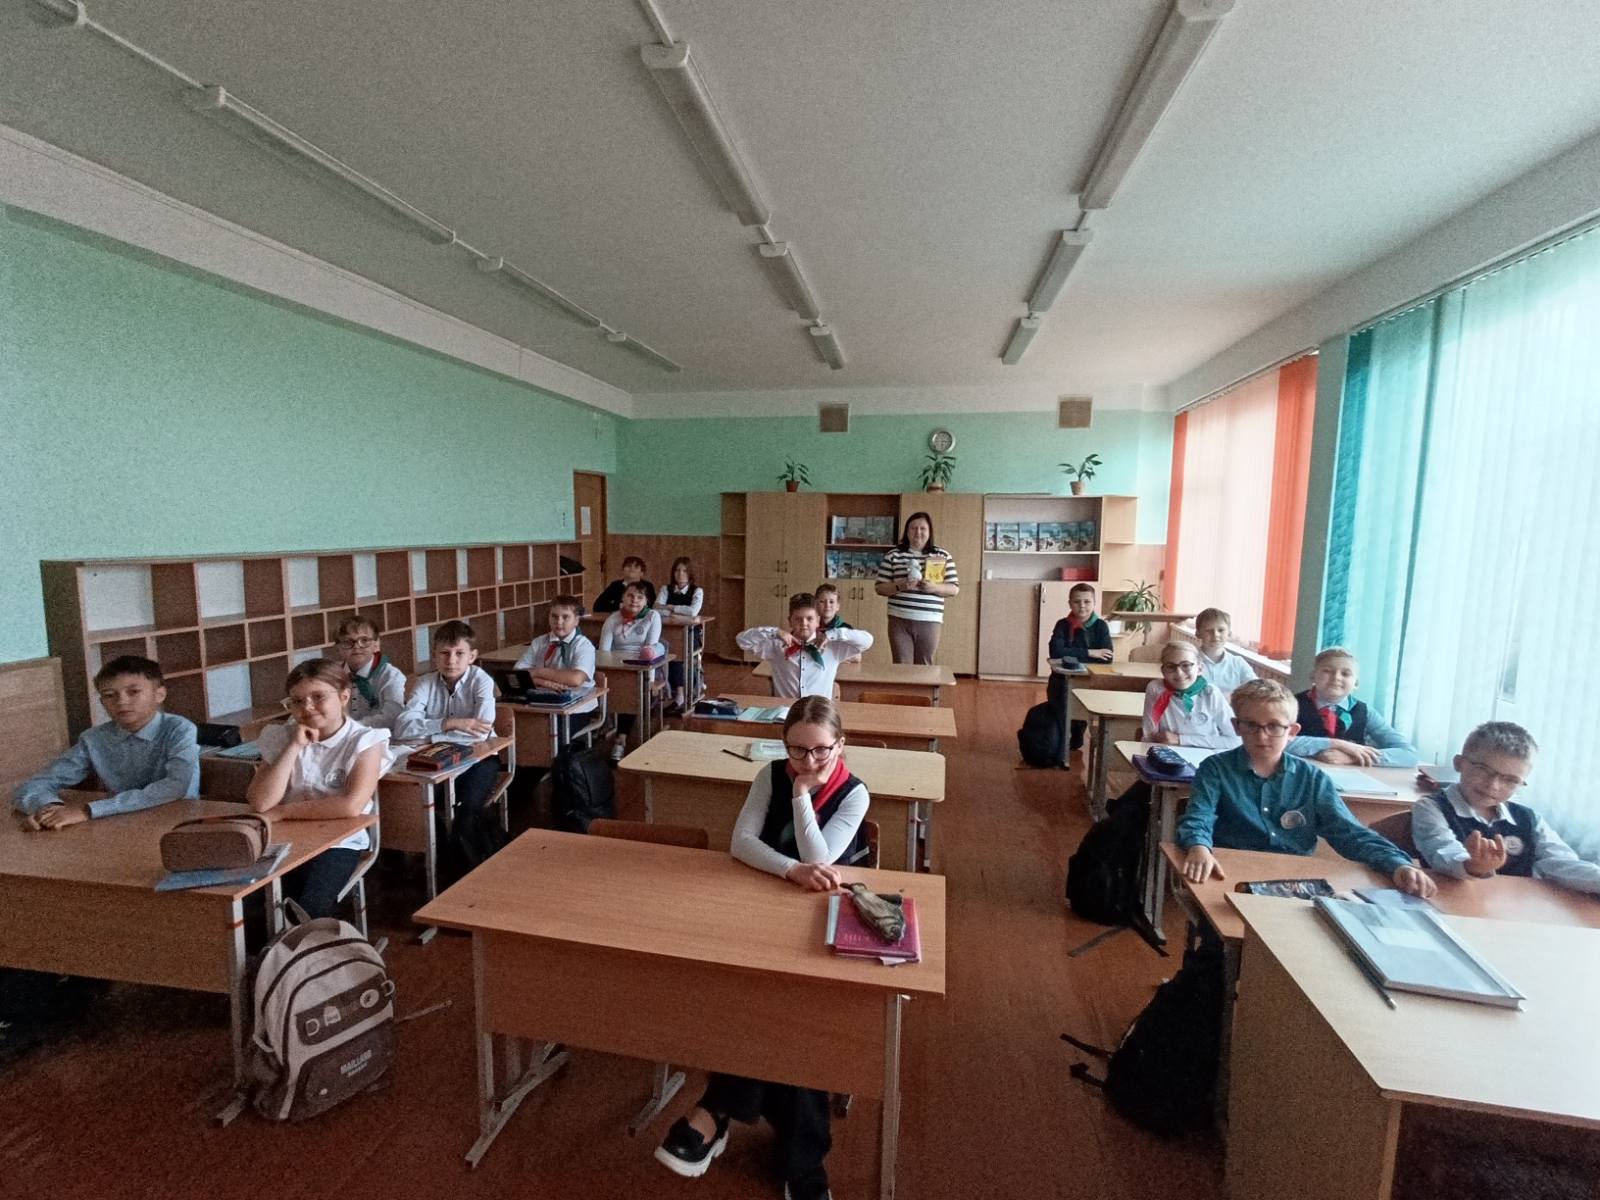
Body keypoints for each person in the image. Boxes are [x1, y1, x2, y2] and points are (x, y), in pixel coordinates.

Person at [655, 697, 867, 1200]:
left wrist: (801, 795)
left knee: (790, 1012)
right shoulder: (770, 776)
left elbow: (821, 856)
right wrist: (790, 869)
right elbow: (742, 842)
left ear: (840, 744)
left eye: (821, 750)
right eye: (797, 750)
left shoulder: (854, 793)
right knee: (766, 1005)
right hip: (760, 907)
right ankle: (801, 1164)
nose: (809, 761)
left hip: (823, 920)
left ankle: (716, 1111)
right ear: (783, 745)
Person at [1177, 679, 1435, 897]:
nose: (1262, 735)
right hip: (1231, 873)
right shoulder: (1215, 769)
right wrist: (1199, 846)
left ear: (1292, 731)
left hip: (1293, 881)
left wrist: (1398, 865)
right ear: (1237, 727)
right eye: (1251, 725)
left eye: (1274, 726)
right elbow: (1199, 817)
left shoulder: (1311, 779)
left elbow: (1349, 833)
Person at [249, 659, 393, 919]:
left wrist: (283, 812)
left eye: (318, 697)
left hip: (339, 843)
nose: (307, 707)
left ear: (344, 696)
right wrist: (293, 747)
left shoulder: (365, 740)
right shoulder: (281, 736)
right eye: (297, 701)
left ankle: (308, 944)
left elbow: (350, 805)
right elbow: (261, 802)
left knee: (305, 907)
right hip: (283, 838)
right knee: (251, 906)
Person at [1412, 721, 1600, 894]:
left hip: (1516, 910)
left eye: (1510, 780)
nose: (1493, 785)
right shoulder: (1431, 808)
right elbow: (1440, 849)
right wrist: (1471, 865)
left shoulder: (1528, 818)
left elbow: (1561, 862)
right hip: (1449, 902)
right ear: (1459, 763)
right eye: (1483, 770)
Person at [14, 654, 199, 828]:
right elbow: (37, 784)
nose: (121, 701)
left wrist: (88, 810)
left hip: (179, 821)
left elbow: (176, 786)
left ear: (159, 695)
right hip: (120, 823)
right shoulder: (94, 738)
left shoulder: (179, 729)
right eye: (109, 695)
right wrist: (48, 808)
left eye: (133, 692)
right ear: (102, 702)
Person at [396, 620, 504, 876]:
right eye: (444, 653)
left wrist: (430, 735)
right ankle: (445, 862)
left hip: (480, 759)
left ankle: (468, 873)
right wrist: (450, 724)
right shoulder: (425, 683)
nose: (451, 660)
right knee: (414, 803)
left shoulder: (481, 681)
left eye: (459, 653)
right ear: (434, 655)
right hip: (436, 762)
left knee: (466, 812)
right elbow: (402, 727)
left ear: (472, 656)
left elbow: (481, 731)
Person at [1287, 647, 1418, 767]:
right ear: (1313, 676)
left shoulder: (1366, 712)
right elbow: (1277, 742)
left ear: (1356, 683)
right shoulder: (1290, 704)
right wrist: (1335, 744)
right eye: (1327, 671)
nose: (1336, 677)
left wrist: (1354, 757)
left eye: (1345, 674)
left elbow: (1409, 754)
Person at [737, 592, 873, 699]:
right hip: (786, 713)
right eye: (798, 619)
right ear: (790, 621)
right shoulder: (776, 646)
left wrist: (833, 634)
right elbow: (742, 640)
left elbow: (867, 641)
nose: (804, 624)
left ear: (818, 621)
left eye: (809, 618)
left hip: (819, 714)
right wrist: (774, 631)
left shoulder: (833, 648)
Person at [873, 512, 960, 665]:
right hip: (899, 619)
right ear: (907, 531)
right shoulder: (893, 555)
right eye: (913, 528)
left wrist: (933, 588)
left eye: (922, 528)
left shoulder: (942, 555)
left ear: (929, 531)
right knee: (901, 665)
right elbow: (880, 588)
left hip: (930, 619)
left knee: (925, 665)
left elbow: (954, 588)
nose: (918, 532)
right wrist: (901, 585)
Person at [599, 583, 666, 760]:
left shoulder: (652, 616)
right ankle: (603, 726)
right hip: (617, 666)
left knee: (631, 692)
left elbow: (650, 650)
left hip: (645, 668)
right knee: (614, 689)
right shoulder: (613, 618)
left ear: (646, 601)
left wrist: (650, 681)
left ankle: (621, 739)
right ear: (623, 598)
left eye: (639, 597)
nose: (634, 600)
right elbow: (604, 652)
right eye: (630, 596)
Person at [1047, 583, 1114, 752]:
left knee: (1081, 712)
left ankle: (1076, 734)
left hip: (1088, 681)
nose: (1082, 606)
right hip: (1062, 680)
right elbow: (1056, 652)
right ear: (1070, 603)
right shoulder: (1062, 625)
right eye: (1077, 602)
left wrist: (1071, 655)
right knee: (1060, 707)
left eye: (1087, 601)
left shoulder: (1101, 626)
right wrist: (1090, 653)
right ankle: (1061, 738)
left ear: (1094, 603)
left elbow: (1107, 658)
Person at [1141, 640, 1240, 748]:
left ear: (1200, 668)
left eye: (1186, 665)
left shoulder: (1211, 693)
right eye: (1171, 666)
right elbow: (1149, 736)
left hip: (1207, 755)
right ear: (1163, 671)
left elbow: (1236, 740)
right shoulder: (1156, 689)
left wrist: (1180, 739)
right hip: (1168, 754)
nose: (1179, 673)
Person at [513, 594, 597, 713]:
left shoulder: (583, 645)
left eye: (565, 617)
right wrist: (543, 682)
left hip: (577, 706)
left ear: (576, 620)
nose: (559, 622)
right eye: (554, 616)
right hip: (542, 700)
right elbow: (516, 675)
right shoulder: (539, 642)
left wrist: (538, 672)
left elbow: (576, 679)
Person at [330, 616, 405, 729]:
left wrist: (350, 728)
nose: (356, 646)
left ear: (376, 645)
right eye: (347, 642)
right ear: (338, 648)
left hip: (380, 734)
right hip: (341, 734)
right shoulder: (332, 676)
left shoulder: (391, 675)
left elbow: (392, 717)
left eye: (364, 640)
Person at [655, 556, 704, 713]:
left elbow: (693, 611)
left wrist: (670, 607)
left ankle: (681, 694)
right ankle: (670, 693)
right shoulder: (666, 589)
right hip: (667, 632)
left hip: (690, 633)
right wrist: (680, 613)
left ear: (690, 573)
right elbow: (656, 609)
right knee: (666, 652)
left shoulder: (697, 591)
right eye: (677, 570)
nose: (680, 574)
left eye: (684, 570)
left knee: (678, 655)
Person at [1191, 607, 1256, 694]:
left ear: (1229, 633)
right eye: (1208, 630)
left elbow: (1256, 690)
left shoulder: (1238, 664)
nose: (1215, 634)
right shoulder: (1189, 661)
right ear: (1198, 633)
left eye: (1221, 630)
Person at [593, 555, 657, 613]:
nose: (632, 569)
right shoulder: (615, 585)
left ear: (642, 573)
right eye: (628, 566)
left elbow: (652, 606)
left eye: (636, 567)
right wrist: (620, 606)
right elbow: (598, 606)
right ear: (623, 570)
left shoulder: (647, 586)